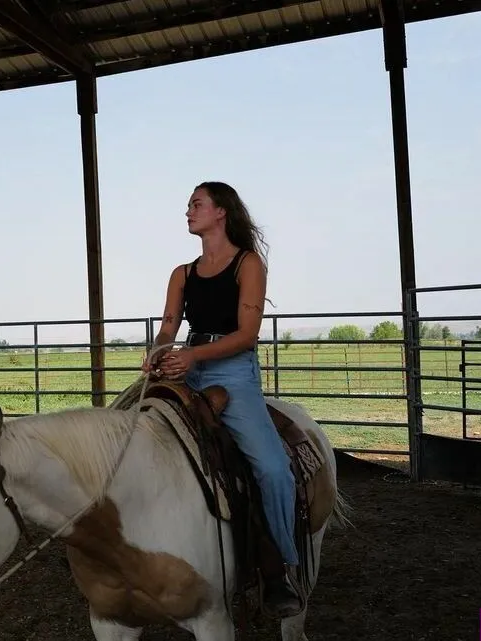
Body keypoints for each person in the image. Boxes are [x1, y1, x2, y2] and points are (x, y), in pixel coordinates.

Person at [141, 180, 300, 605]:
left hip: (232, 372)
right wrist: (158, 352)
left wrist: (193, 356)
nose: (188, 211)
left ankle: (281, 565)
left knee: (272, 469)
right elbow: (169, 327)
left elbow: (247, 335)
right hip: (186, 367)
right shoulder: (182, 273)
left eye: (196, 204)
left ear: (220, 212)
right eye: (189, 205)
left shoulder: (248, 264)